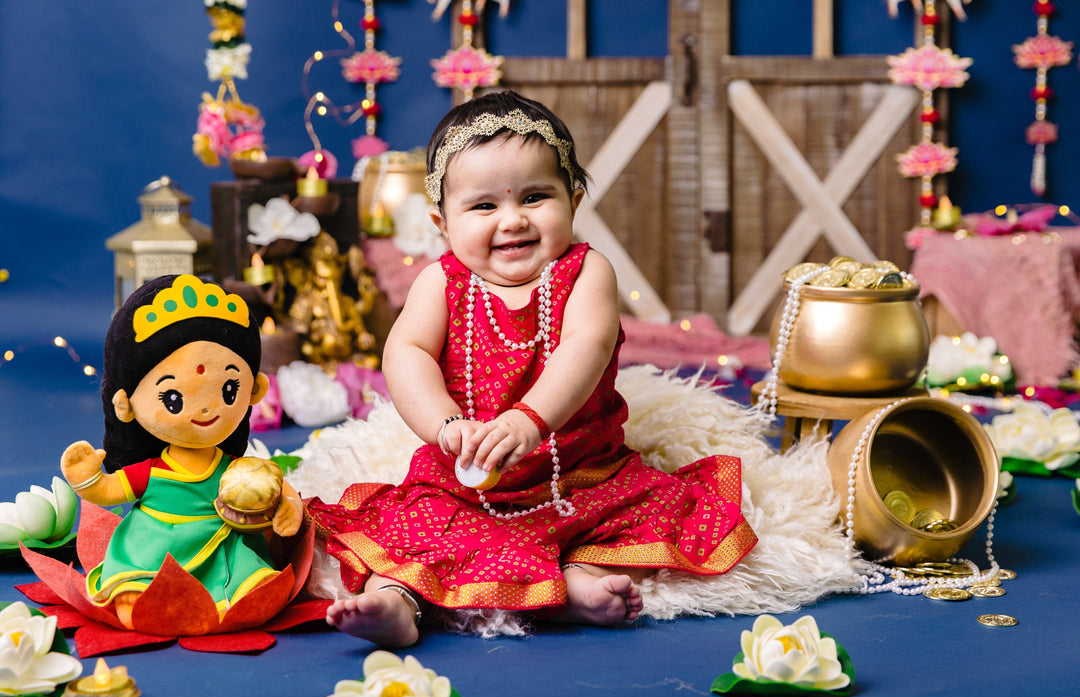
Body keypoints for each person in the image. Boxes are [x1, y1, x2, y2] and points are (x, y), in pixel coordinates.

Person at [306, 90, 757, 647]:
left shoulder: (585, 272)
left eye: (536, 196)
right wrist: (445, 427)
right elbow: (406, 354)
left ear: (574, 198)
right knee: (418, 532)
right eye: (483, 206)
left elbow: (584, 348)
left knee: (643, 514)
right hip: (467, 482)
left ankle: (580, 585)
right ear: (441, 222)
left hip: (581, 473)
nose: (513, 220)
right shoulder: (441, 283)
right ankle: (393, 603)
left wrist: (527, 421)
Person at [60, 274, 304, 629]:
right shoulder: (152, 470)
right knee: (137, 589)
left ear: (255, 389)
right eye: (172, 398)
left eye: (230, 389)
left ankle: (231, 601)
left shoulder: (235, 469)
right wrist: (88, 478)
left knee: (251, 581)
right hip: (156, 547)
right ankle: (150, 601)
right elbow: (110, 490)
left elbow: (275, 487)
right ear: (126, 405)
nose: (205, 410)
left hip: (221, 544)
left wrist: (287, 505)